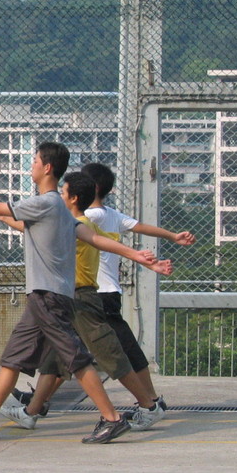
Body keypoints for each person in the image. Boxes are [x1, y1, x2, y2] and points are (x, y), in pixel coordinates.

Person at [0, 141, 164, 444]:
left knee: (75, 358)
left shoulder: (46, 203)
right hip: (41, 296)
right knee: (13, 358)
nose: (31, 165)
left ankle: (112, 418)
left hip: (49, 296)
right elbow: (92, 237)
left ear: (47, 167)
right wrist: (135, 254)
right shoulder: (59, 207)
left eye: (35, 160)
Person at [0, 171, 172, 433]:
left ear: (74, 198)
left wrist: (2, 217)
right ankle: (31, 412)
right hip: (67, 298)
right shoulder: (82, 223)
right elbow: (108, 241)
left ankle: (149, 406)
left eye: (63, 192)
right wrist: (144, 259)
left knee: (109, 354)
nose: (59, 196)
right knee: (55, 358)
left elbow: (32, 230)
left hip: (82, 299)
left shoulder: (75, 225)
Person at [78, 161, 195, 428]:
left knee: (111, 351)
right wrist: (173, 236)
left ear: (89, 188)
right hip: (107, 293)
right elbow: (140, 227)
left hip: (97, 294)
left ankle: (150, 402)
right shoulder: (110, 214)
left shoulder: (90, 217)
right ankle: (36, 402)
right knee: (73, 350)